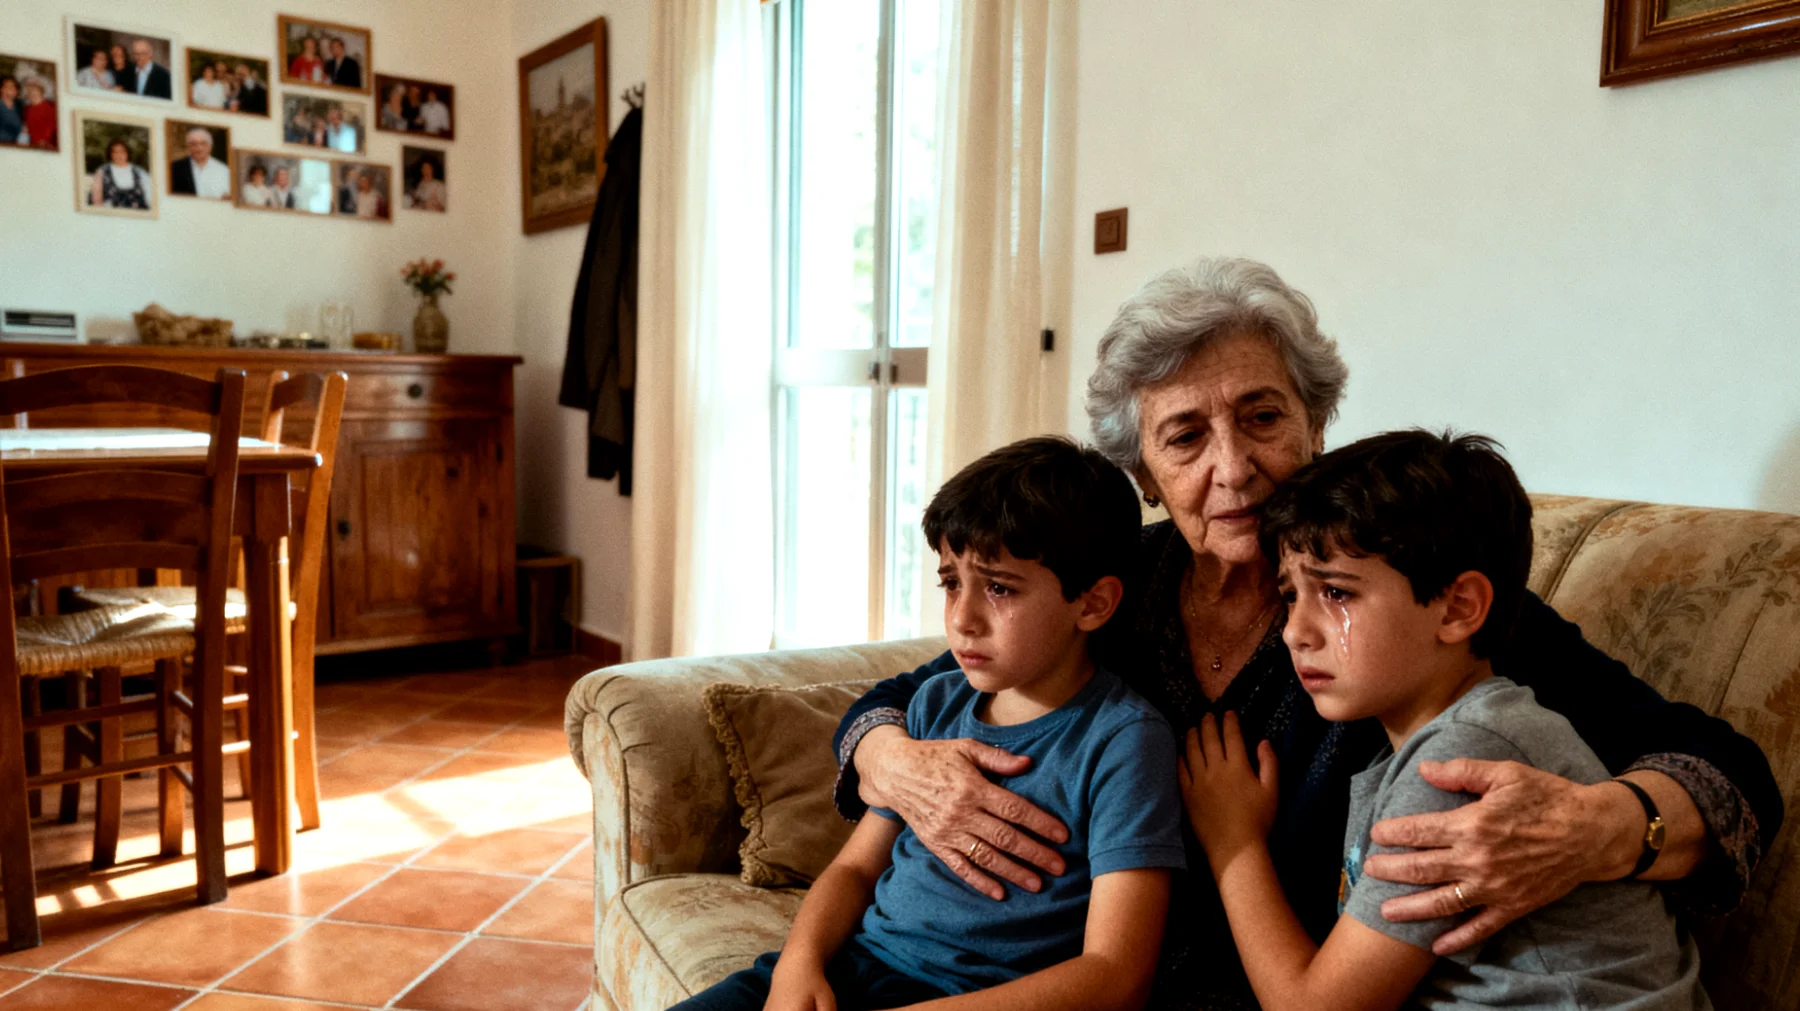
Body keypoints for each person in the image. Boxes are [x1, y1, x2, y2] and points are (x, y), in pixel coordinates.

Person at [831, 257, 1781, 1009]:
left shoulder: (1416, 609)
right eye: (1185, 437)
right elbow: (915, 690)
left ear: (1317, 425)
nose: (1234, 468)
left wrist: (1603, 827)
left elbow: (1726, 768)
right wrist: (892, 760)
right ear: (1145, 475)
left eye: (1262, 416)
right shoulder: (1116, 587)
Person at [1186, 429, 1709, 1010]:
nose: (1294, 631)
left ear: (1459, 608)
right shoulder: (1422, 745)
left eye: (1336, 593)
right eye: (1290, 595)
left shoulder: (1461, 759)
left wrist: (1234, 843)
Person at [677, 437, 1185, 1011]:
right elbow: (854, 867)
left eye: (998, 588)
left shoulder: (1124, 741)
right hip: (855, 966)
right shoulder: (935, 703)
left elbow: (1115, 974)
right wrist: (799, 963)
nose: (962, 619)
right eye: (950, 583)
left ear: (1092, 604)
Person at [169, 126, 231, 200]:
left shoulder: (223, 170)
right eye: (194, 144)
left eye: (203, 143)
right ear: (188, 146)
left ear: (210, 146)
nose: (199, 148)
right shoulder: (175, 168)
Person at [90, 137, 151, 210]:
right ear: (110, 154)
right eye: (115, 152)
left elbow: (150, 198)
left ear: (127, 153)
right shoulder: (102, 171)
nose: (119, 155)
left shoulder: (140, 172)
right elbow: (96, 200)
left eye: (122, 151)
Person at [20, 78, 55, 151]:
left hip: (45, 145)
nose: (32, 93)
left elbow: (50, 128)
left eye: (35, 90)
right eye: (29, 91)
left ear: (41, 91)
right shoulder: (27, 109)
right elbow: (25, 127)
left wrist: (44, 141)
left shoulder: (49, 108)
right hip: (29, 144)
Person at [0, 77, 21, 145]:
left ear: (17, 91)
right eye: (7, 87)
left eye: (13, 87)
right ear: (1, 89)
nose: (10, 90)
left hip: (15, 145)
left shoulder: (19, 105)